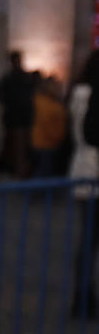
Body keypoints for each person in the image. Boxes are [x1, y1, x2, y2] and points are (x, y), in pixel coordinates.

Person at [69, 52, 99, 319]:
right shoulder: (93, 94)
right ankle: (85, 294)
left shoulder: (78, 92)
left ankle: (83, 293)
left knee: (87, 241)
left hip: (81, 167)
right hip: (93, 171)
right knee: (90, 241)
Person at [0, 50, 36, 177]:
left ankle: (20, 170)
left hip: (20, 117)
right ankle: (18, 170)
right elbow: (0, 95)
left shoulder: (19, 77)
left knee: (20, 147)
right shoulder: (11, 78)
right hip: (16, 117)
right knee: (17, 146)